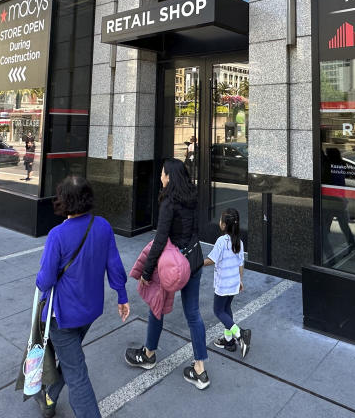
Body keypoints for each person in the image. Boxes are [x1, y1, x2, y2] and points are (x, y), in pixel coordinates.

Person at [33, 176, 129, 418]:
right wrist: (122, 296)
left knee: (77, 375)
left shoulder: (57, 235)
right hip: (90, 311)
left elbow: (45, 280)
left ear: (63, 201)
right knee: (71, 357)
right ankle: (48, 398)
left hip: (62, 317)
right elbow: (115, 266)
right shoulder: (103, 226)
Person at [125, 158, 209, 390]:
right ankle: (200, 369)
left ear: (170, 177)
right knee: (193, 314)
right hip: (194, 259)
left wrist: (147, 270)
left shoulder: (169, 203)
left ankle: (149, 354)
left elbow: (160, 240)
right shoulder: (192, 197)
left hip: (172, 265)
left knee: (157, 305)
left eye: (162, 174)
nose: (160, 177)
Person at [204, 208, 251, 357]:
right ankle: (229, 341)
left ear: (224, 225)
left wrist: (196, 263)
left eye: (220, 220)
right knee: (226, 308)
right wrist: (240, 281)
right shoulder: (239, 242)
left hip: (223, 285)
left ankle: (240, 334)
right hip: (234, 283)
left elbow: (211, 260)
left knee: (218, 311)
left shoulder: (221, 241)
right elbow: (240, 263)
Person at [321, 147, 355, 259]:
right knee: (345, 227)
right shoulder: (340, 165)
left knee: (323, 231)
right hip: (340, 201)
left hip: (330, 201)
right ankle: (353, 249)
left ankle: (329, 257)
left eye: (327, 154)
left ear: (329, 156)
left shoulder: (328, 166)